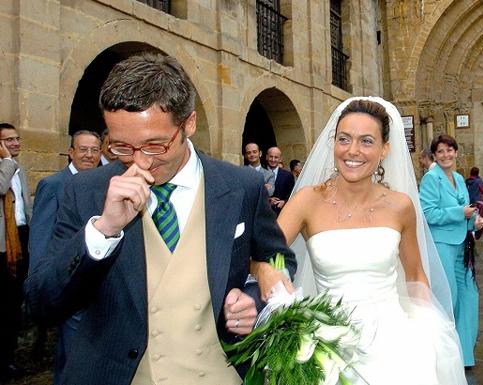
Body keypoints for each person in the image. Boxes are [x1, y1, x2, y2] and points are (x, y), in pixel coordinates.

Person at [25, 53, 296, 385]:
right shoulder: (84, 191)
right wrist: (104, 231)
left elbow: (278, 258)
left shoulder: (242, 186)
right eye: (121, 147)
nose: (140, 162)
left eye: (155, 145)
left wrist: (254, 296)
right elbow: (42, 303)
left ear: (189, 124)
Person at [252, 97, 467, 384]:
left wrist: (429, 335)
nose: (353, 150)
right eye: (344, 139)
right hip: (324, 345)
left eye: (366, 141)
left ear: (384, 149)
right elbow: (260, 254)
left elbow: (415, 275)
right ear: (334, 143)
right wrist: (263, 269)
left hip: (394, 347)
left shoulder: (400, 206)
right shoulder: (307, 201)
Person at [28, 130, 102, 383]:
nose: (89, 155)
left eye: (94, 150)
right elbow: (40, 240)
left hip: (100, 288)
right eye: (83, 149)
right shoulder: (54, 185)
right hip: (69, 285)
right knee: (71, 360)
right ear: (71, 152)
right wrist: (41, 286)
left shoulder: (105, 183)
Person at [419, 134, 483, 368]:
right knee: (450, 298)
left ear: (456, 152)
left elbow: (467, 212)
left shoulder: (458, 177)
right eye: (441, 152)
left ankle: (465, 353)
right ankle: (444, 354)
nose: (446, 155)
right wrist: (460, 213)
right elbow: (427, 214)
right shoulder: (431, 179)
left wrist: (475, 222)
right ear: (434, 156)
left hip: (463, 246)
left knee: (470, 296)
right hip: (442, 246)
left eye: (450, 150)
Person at [0, 123, 31, 382]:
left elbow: (25, 206)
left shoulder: (17, 169)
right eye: (9, 140)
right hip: (2, 246)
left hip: (20, 240)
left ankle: (8, 359)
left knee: (13, 305)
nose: (16, 143)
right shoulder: (8, 167)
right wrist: (7, 161)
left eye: (17, 138)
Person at [266, 146, 295, 214]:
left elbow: (292, 194)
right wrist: (267, 200)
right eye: (271, 156)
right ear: (266, 157)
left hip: (281, 214)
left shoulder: (288, 175)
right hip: (263, 215)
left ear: (280, 159)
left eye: (276, 157)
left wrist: (284, 202)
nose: (273, 160)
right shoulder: (259, 174)